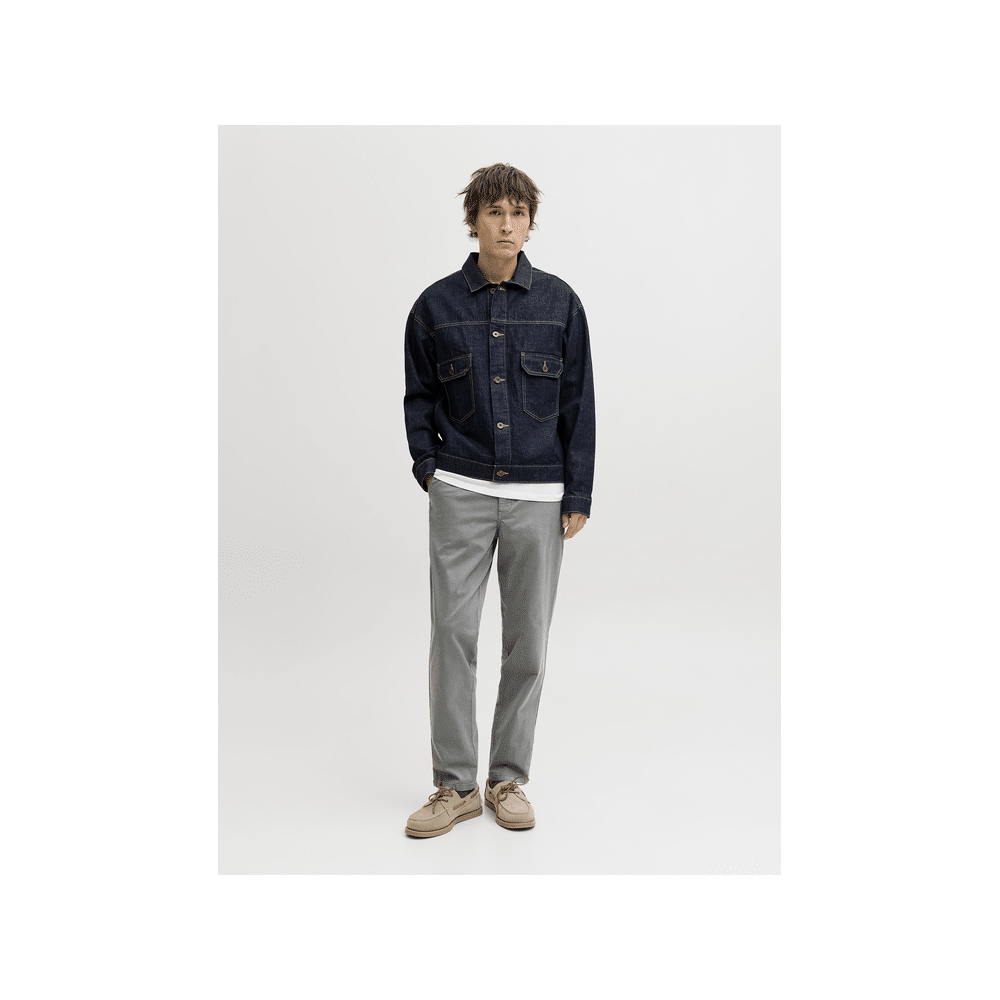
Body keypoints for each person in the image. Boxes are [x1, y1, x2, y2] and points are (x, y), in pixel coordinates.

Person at [402, 163, 596, 838]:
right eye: (494, 212)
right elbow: (418, 396)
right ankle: (454, 786)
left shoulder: (561, 304)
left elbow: (578, 403)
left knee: (528, 644)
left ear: (530, 223)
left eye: (518, 213)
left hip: (539, 496)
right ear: (474, 221)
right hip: (460, 488)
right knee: (452, 637)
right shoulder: (434, 307)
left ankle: (506, 779)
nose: (506, 225)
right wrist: (430, 468)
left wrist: (578, 491)